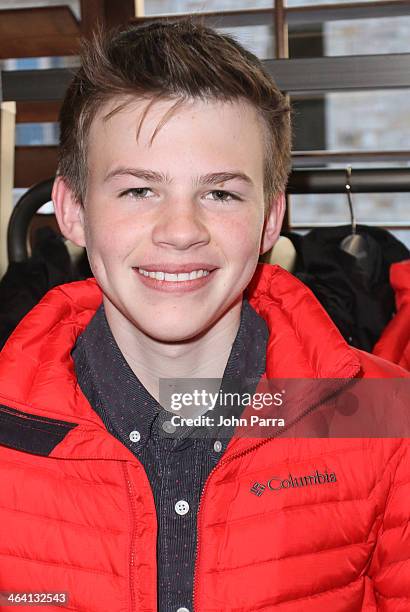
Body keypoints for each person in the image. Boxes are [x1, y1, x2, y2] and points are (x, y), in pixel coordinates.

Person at [0, 19, 408, 612]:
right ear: (72, 212)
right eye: (139, 191)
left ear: (271, 219)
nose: (182, 231)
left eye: (220, 194)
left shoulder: (387, 418)